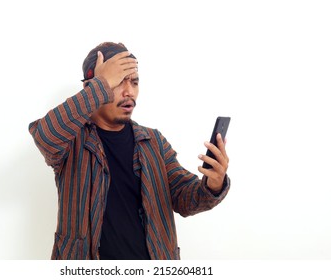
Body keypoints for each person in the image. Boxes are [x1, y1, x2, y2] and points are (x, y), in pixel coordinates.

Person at [28, 42, 231, 260]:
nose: (129, 92)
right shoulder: (72, 140)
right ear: (93, 86)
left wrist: (213, 184)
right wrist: (101, 84)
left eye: (134, 82)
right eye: (117, 82)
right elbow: (44, 135)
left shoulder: (153, 141)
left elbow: (184, 197)